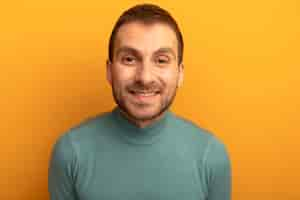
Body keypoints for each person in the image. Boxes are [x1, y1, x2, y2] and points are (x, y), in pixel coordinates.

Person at [48, 3, 231, 200]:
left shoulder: (211, 156)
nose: (145, 78)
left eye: (161, 60)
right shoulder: (70, 153)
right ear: (110, 72)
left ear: (180, 73)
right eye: (129, 59)